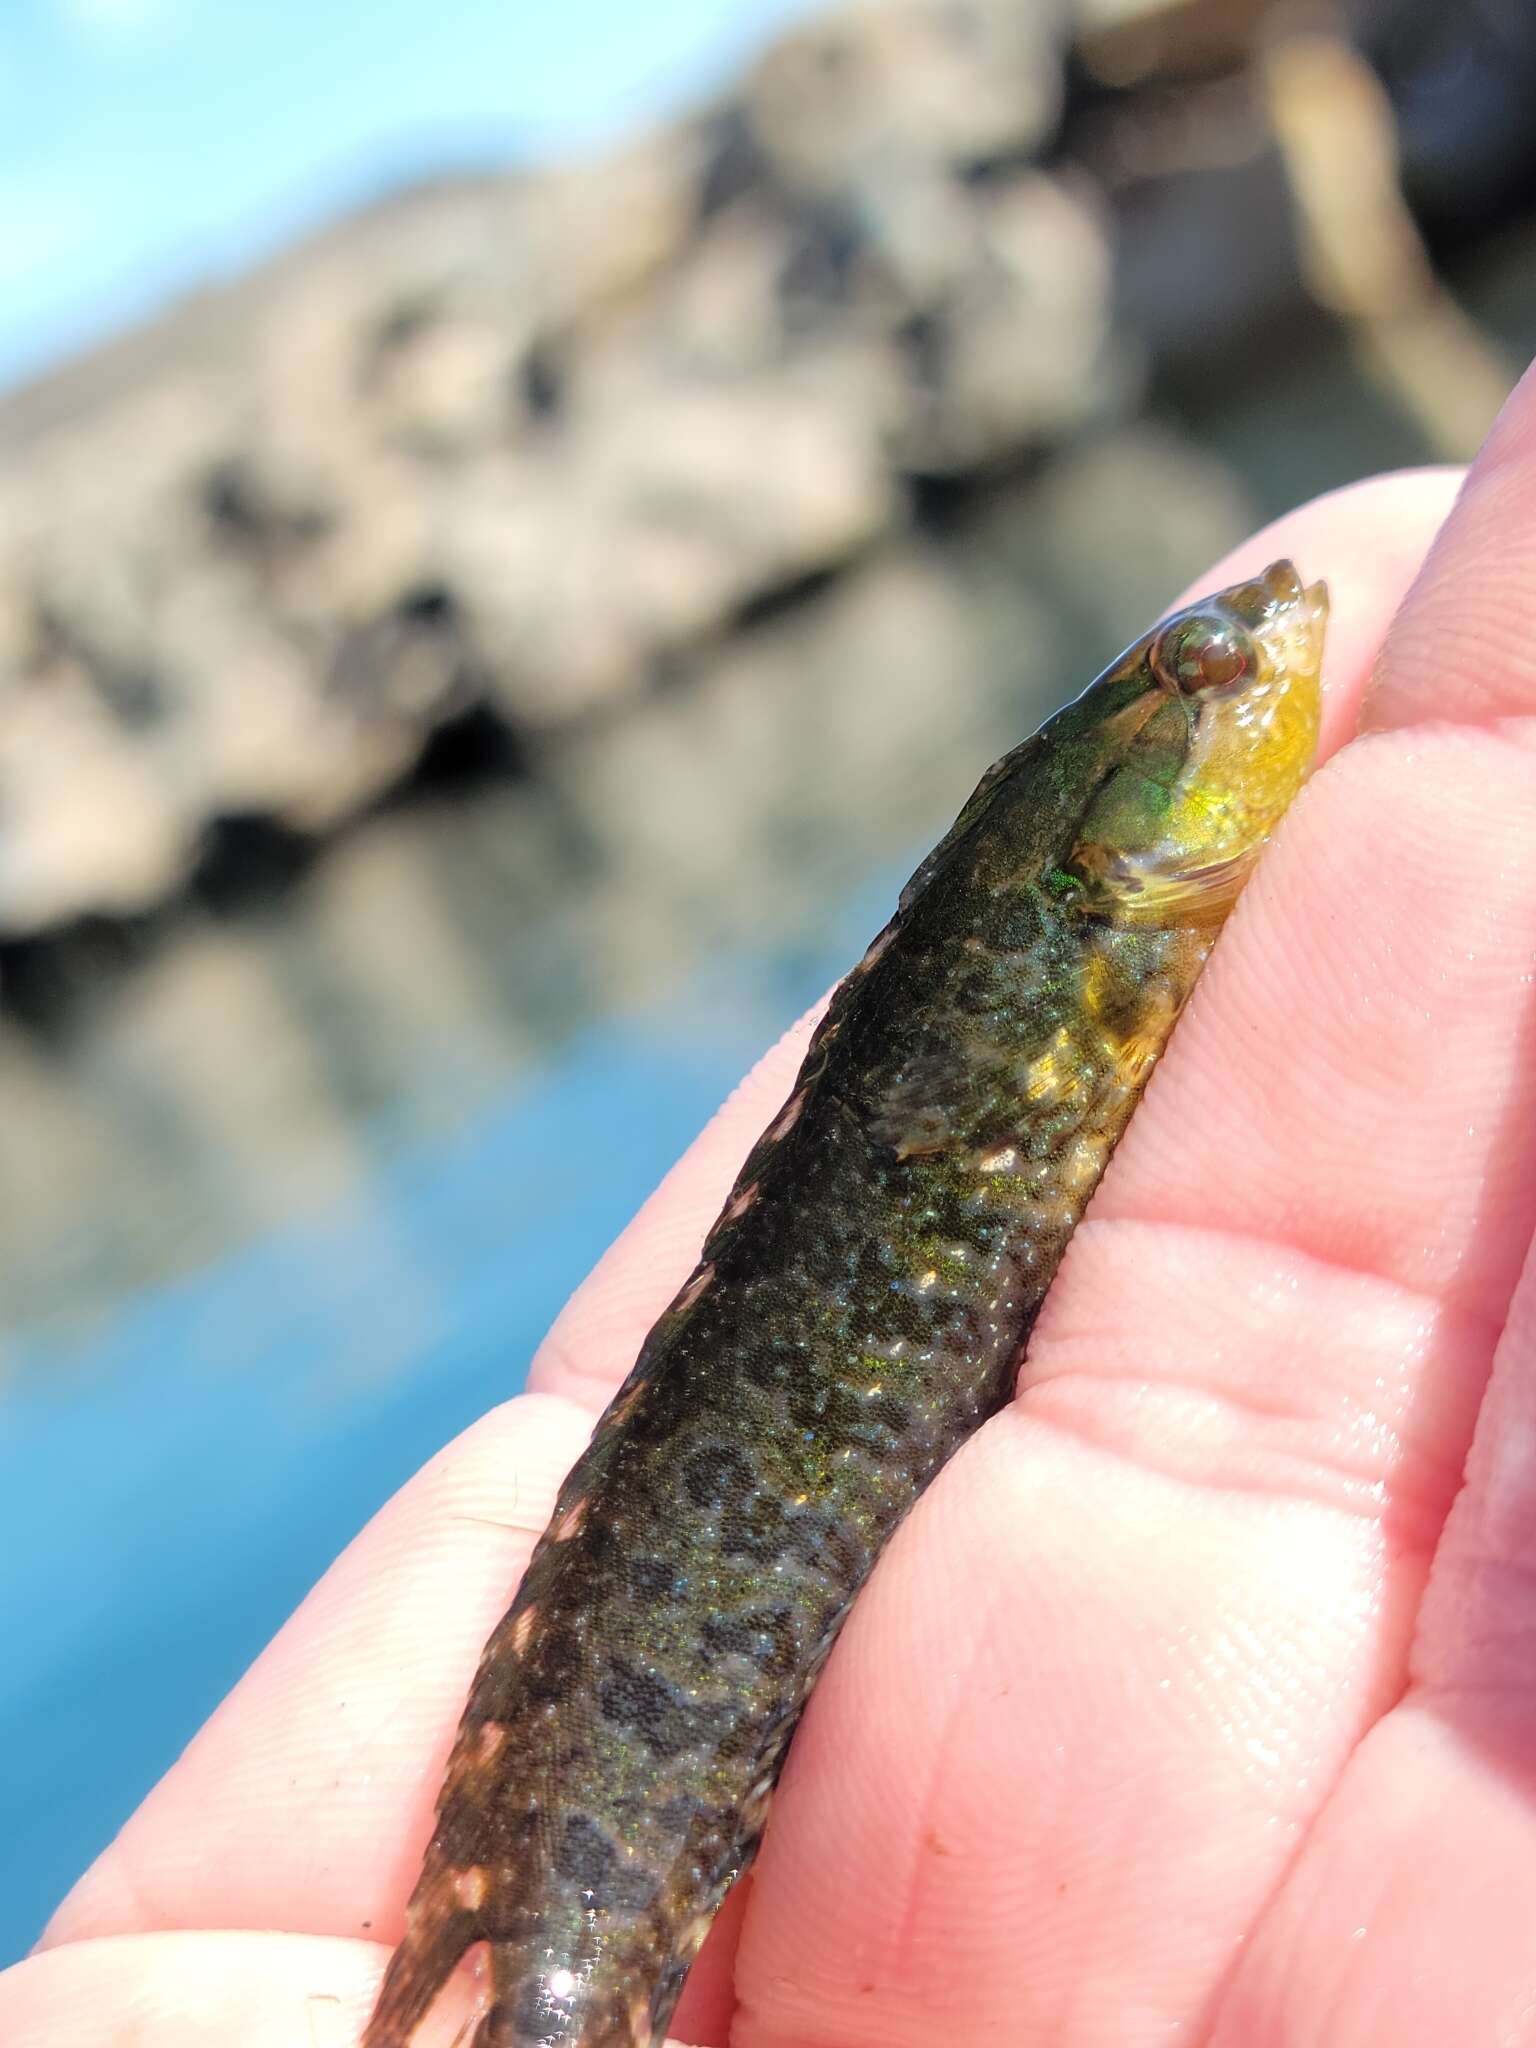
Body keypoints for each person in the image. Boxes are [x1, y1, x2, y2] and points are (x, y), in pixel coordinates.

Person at [9, 359, 1536, 2046]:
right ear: (1110, 835)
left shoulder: (1126, 913)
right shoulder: (1109, 924)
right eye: (1208, 671)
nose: (1263, 652)